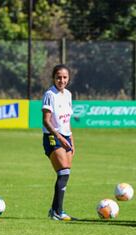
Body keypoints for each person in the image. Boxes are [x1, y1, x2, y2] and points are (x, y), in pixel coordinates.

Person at [42, 64, 75, 221]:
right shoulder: (50, 94)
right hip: (53, 136)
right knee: (63, 172)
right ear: (53, 78)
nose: (61, 80)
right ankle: (58, 212)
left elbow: (67, 121)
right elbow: (46, 121)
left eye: (64, 77)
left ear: (68, 79)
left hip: (66, 136)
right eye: (58, 77)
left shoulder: (68, 94)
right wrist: (59, 137)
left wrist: (71, 140)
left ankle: (55, 211)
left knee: (65, 174)